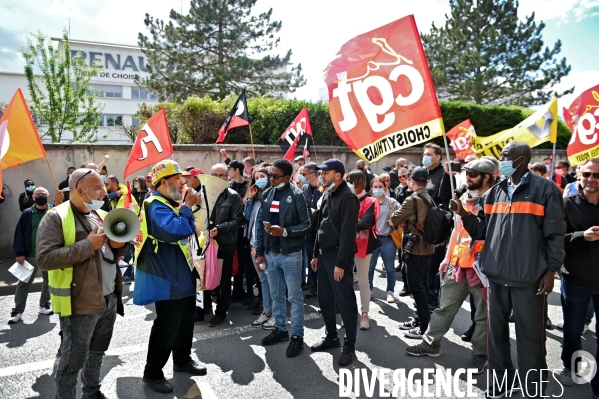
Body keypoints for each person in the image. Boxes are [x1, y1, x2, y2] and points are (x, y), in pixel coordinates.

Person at [459, 142, 565, 397]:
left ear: (523, 159)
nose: (502, 160)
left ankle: (533, 388)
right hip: (496, 277)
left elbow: (556, 234)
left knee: (530, 339)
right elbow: (483, 231)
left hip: (529, 278)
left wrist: (551, 271)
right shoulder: (495, 192)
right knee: (496, 338)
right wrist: (463, 214)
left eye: (506, 156)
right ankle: (502, 383)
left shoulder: (545, 190)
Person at [36, 168, 128, 399]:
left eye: (104, 187)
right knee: (72, 360)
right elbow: (45, 259)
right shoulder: (55, 217)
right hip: (80, 303)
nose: (104, 193)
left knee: (97, 351)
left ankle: (91, 392)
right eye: (98, 188)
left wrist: (119, 246)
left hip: (108, 298)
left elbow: (109, 251)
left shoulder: (98, 214)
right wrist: (87, 246)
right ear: (80, 190)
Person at [406, 159, 496, 374]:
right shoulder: (463, 196)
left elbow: (489, 232)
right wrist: (447, 258)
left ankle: (480, 354)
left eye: (473, 174)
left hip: (482, 267)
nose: (468, 177)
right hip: (458, 263)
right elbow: (457, 230)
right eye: (467, 173)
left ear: (487, 176)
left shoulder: (495, 199)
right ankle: (430, 344)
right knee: (444, 307)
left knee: (483, 315)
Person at [133, 160, 207, 394]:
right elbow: (176, 230)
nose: (182, 182)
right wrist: (186, 208)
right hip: (166, 276)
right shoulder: (155, 204)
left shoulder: (167, 202)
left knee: (186, 319)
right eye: (177, 179)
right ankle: (152, 372)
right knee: (167, 325)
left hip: (179, 273)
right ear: (163, 182)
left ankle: (182, 359)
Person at [255, 159, 311, 357]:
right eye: (270, 175)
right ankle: (280, 330)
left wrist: (285, 232)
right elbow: (261, 225)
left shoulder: (298, 195)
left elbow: (307, 224)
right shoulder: (267, 194)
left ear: (287, 178)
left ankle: (297, 336)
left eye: (275, 176)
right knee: (276, 295)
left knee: (294, 297)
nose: (271, 179)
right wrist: (260, 252)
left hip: (291, 254)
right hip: (271, 254)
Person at [555, 158, 599, 395]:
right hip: (576, 278)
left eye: (596, 175)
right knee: (572, 330)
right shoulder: (567, 204)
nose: (591, 179)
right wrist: (583, 236)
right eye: (586, 174)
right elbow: (555, 240)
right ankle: (570, 368)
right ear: (579, 175)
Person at [310, 159, 360, 366]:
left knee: (345, 302)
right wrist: (315, 254)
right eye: (320, 173)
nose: (321, 176)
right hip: (323, 256)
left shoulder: (348, 197)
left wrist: (340, 263)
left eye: (325, 173)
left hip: (339, 258)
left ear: (337, 174)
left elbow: (348, 233)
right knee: (325, 300)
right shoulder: (328, 193)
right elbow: (320, 225)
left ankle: (349, 345)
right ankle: (331, 337)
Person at [392, 167, 435, 339]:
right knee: (422, 286)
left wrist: (405, 221)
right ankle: (420, 319)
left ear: (411, 180)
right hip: (426, 247)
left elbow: (395, 219)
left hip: (415, 248)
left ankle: (423, 327)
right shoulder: (428, 196)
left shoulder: (413, 199)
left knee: (417, 288)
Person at [205, 163, 245, 326]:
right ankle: (203, 308)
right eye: (214, 174)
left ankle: (221, 312)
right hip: (206, 243)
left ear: (227, 176)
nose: (218, 178)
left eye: (221, 175)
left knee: (223, 280)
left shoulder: (233, 195)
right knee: (205, 275)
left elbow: (238, 220)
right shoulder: (204, 194)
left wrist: (219, 229)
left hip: (225, 243)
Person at [8, 187, 54, 324]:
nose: (40, 196)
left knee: (49, 281)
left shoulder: (53, 212)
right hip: (30, 255)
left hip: (49, 254)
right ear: (33, 198)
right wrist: (20, 253)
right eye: (38, 194)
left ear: (48, 196)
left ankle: (44, 305)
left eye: (43, 194)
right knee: (24, 283)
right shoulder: (27, 213)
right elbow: (19, 233)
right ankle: (17, 311)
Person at [245, 167, 274, 327]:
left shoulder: (271, 198)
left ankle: (276, 314)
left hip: (265, 247)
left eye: (262, 176)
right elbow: (248, 218)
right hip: (253, 246)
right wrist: (249, 198)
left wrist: (259, 247)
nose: (259, 180)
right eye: (256, 177)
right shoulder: (255, 200)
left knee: (273, 281)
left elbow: (268, 225)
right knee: (263, 280)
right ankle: (266, 311)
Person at [349, 169, 378, 330]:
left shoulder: (370, 202)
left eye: (351, 182)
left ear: (359, 183)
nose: (348, 185)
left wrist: (348, 222)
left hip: (364, 245)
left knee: (362, 280)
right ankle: (349, 313)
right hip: (346, 244)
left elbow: (365, 223)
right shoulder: (346, 199)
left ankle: (365, 313)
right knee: (345, 281)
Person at [368, 177, 400, 303]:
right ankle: (369, 290)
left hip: (388, 239)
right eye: (375, 187)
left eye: (380, 187)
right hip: (372, 239)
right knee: (370, 268)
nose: (377, 189)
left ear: (385, 188)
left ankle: (390, 291)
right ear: (371, 188)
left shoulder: (392, 202)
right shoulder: (368, 202)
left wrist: (395, 222)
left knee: (390, 268)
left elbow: (403, 217)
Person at [300, 162, 323, 298]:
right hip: (308, 231)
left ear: (313, 174)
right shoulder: (304, 189)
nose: (302, 177)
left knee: (322, 260)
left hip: (322, 231)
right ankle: (314, 286)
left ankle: (323, 287)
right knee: (311, 259)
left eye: (304, 174)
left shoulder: (324, 188)